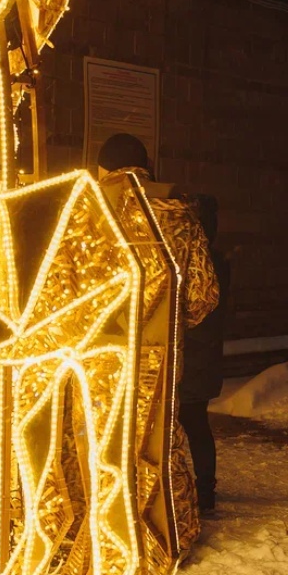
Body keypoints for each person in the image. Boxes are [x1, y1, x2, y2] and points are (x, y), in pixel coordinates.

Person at [97, 132, 219, 548]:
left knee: (105, 438)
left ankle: (108, 534)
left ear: (104, 170)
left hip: (102, 350)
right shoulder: (180, 214)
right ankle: (170, 533)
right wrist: (171, 322)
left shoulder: (92, 212)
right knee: (161, 437)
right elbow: (205, 293)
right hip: (162, 350)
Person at [179, 193, 231, 512]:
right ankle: (204, 487)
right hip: (203, 356)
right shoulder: (217, 261)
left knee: (191, 422)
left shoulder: (196, 264)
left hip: (192, 355)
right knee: (196, 422)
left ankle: (202, 488)